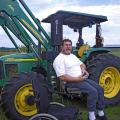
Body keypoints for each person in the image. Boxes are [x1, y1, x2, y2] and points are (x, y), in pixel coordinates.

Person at [53, 39, 107, 120]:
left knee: (100, 89)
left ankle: (100, 113)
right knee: (93, 91)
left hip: (81, 79)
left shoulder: (72, 56)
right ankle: (91, 117)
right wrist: (77, 79)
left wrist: (83, 70)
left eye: (69, 45)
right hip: (71, 82)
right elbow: (62, 77)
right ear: (62, 47)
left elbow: (82, 64)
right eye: (66, 45)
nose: (68, 47)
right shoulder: (59, 59)